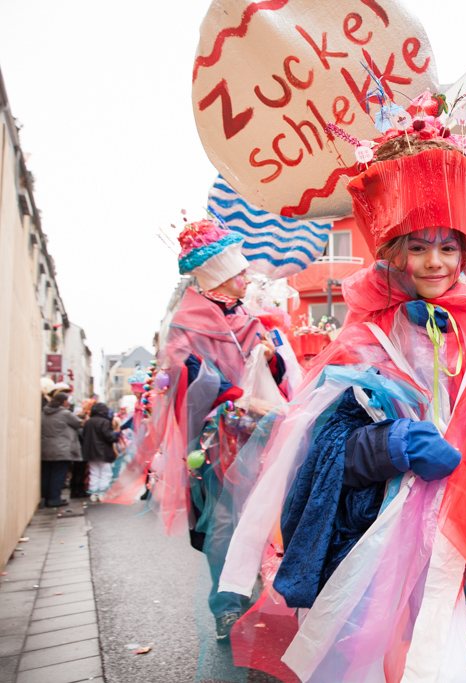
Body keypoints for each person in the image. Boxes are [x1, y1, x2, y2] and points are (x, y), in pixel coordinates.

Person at [215, 121, 466, 682]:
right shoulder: (362, 339)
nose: (435, 263)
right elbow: (323, 449)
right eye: (418, 248)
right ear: (393, 251)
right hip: (379, 535)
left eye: (448, 248)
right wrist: (391, 443)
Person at [105, 218, 292, 641]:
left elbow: (277, 373)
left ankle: (250, 587)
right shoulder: (187, 323)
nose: (247, 278)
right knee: (223, 523)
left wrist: (272, 356)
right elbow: (185, 378)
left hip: (257, 435)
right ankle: (226, 606)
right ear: (221, 277)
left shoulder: (247, 316)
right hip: (213, 444)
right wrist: (235, 398)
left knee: (262, 515)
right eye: (240, 272)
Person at [40, 387, 82, 507]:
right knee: (58, 474)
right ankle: (54, 499)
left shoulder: (44, 412)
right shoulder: (65, 413)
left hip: (46, 448)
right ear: (64, 402)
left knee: (46, 474)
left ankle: (45, 497)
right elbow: (78, 423)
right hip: (62, 449)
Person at [81, 402, 120, 499]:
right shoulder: (104, 422)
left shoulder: (88, 422)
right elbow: (108, 436)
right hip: (103, 451)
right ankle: (102, 492)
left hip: (90, 451)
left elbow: (84, 435)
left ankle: (93, 492)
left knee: (94, 472)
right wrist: (116, 437)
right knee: (106, 472)